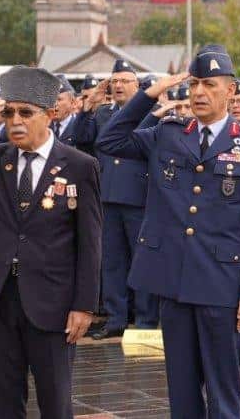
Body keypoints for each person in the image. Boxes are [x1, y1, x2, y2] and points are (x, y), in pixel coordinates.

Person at [96, 46, 240, 417]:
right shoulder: (168, 133)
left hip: (222, 284)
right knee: (181, 390)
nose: (198, 92)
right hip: (174, 281)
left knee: (223, 390)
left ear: (230, 91)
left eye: (209, 84)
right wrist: (146, 95)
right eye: (194, 84)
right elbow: (109, 140)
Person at [0, 66, 102, 418]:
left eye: (26, 112)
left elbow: (90, 242)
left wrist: (84, 305)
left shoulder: (79, 165)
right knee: (3, 401)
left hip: (53, 302)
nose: (15, 120)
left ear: (51, 114)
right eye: (9, 112)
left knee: (55, 402)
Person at [75, 60, 160, 339]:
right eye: (115, 81)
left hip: (138, 197)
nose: (119, 85)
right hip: (108, 196)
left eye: (125, 80)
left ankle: (146, 319)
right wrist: (87, 110)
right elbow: (83, 139)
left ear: (138, 86)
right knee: (112, 260)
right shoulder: (102, 114)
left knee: (141, 260)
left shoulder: (151, 111)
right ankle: (116, 318)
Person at [50, 76, 80, 146]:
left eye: (59, 99)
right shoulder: (42, 126)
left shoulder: (80, 126)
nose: (54, 104)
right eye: (51, 99)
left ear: (72, 102)